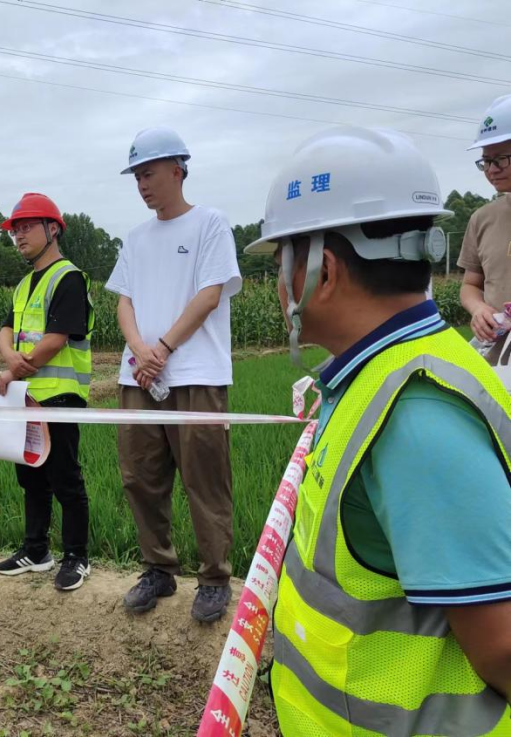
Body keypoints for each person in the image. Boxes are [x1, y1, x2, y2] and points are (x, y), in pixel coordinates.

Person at [244, 126, 511, 736]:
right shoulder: (375, 377)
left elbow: (502, 646)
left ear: (324, 272)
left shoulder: (416, 416)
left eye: (281, 263)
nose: (278, 284)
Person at [105, 127, 242, 622]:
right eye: (136, 177)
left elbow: (210, 294)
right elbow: (124, 301)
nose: (142, 184)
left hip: (196, 374)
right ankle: (158, 568)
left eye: (149, 173)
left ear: (178, 170)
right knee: (140, 476)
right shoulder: (135, 238)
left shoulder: (210, 224)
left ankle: (214, 577)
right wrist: (141, 351)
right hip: (138, 377)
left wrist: (163, 348)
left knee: (205, 478)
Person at [0, 193, 94, 591]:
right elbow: (5, 330)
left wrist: (17, 366)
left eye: (26, 227)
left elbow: (56, 338)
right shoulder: (24, 285)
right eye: (14, 230)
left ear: (53, 229)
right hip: (28, 396)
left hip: (60, 396)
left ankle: (76, 556)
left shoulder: (68, 277)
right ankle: (36, 550)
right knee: (30, 476)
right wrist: (9, 358)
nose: (18, 235)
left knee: (65, 478)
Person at [459, 94, 511, 367]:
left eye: (500, 159)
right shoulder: (482, 219)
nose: (491, 170)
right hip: (498, 366)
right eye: (485, 161)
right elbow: (470, 285)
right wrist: (478, 308)